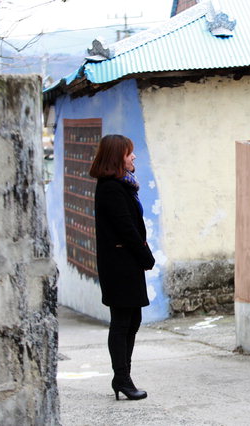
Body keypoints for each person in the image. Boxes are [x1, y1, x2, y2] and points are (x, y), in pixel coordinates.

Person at [89, 134, 155, 401]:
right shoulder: (111, 189)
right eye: (129, 153)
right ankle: (122, 379)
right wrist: (145, 255)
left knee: (132, 319)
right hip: (120, 264)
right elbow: (126, 227)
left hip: (127, 263)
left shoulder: (122, 185)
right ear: (118, 158)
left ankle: (122, 377)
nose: (134, 157)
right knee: (122, 321)